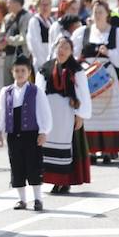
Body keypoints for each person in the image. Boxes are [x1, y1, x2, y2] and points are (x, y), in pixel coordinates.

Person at [71, 0, 119, 162]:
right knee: (90, 115)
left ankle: (108, 149)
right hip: (87, 78)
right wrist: (82, 66)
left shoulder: (118, 33)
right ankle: (90, 150)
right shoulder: (82, 32)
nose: (98, 15)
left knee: (108, 114)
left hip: (109, 78)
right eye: (95, 12)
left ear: (108, 14)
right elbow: (74, 55)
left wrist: (110, 52)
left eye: (101, 12)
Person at [0, 55, 52, 211]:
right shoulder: (6, 92)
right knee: (17, 165)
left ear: (29, 72)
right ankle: (21, 199)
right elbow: (0, 111)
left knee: (33, 165)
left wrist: (43, 131)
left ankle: (38, 198)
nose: (20, 73)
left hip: (31, 134)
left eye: (23, 70)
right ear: (12, 72)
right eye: (17, 70)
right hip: (14, 134)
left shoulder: (36, 91)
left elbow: (44, 112)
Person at [38, 36, 92, 194]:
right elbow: (39, 92)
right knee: (48, 147)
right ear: (55, 48)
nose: (62, 50)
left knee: (70, 148)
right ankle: (54, 180)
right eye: (60, 47)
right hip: (50, 115)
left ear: (71, 52)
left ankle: (65, 181)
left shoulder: (76, 70)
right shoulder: (45, 68)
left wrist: (80, 115)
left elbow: (83, 93)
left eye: (66, 48)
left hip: (69, 116)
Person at [26, 0, 54, 71]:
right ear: (38, 6)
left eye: (47, 4)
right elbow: (34, 43)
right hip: (40, 60)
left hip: (51, 59)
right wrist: (44, 63)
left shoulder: (51, 21)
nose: (45, 7)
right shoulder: (34, 21)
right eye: (43, 5)